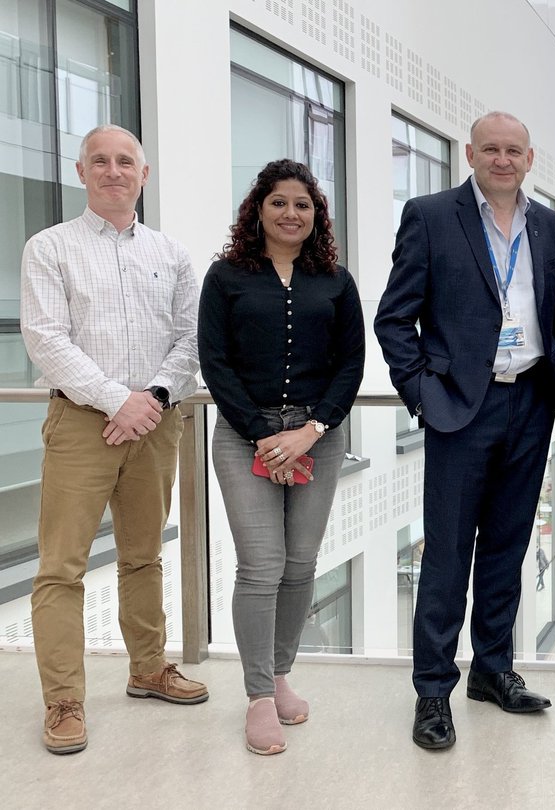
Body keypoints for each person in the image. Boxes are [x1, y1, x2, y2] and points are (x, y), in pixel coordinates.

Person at [375, 111, 555, 751]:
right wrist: (423, 397)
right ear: (469, 153)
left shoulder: (548, 225)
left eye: (513, 150)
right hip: (461, 409)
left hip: (530, 403)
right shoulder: (431, 215)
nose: (501, 159)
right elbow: (393, 320)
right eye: (490, 148)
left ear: (530, 158)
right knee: (446, 556)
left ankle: (493, 670)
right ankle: (433, 691)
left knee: (506, 548)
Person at [20, 124, 206, 755]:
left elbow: (191, 339)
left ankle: (149, 668)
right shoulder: (50, 248)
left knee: (144, 555)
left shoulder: (172, 255)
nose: (113, 170)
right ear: (82, 172)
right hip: (80, 421)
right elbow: (46, 337)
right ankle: (64, 700)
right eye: (100, 161)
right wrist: (116, 401)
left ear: (143, 175)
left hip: (155, 423)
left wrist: (149, 400)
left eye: (125, 161)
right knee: (62, 567)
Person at [198, 159, 365, 755]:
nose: (291, 213)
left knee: (300, 563)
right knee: (261, 564)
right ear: (258, 210)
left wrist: (311, 431)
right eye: (279, 202)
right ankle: (258, 697)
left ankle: (282, 672)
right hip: (246, 437)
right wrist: (265, 437)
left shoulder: (337, 282)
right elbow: (214, 362)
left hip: (318, 438)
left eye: (303, 203)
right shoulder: (226, 277)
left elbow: (351, 366)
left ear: (316, 214)